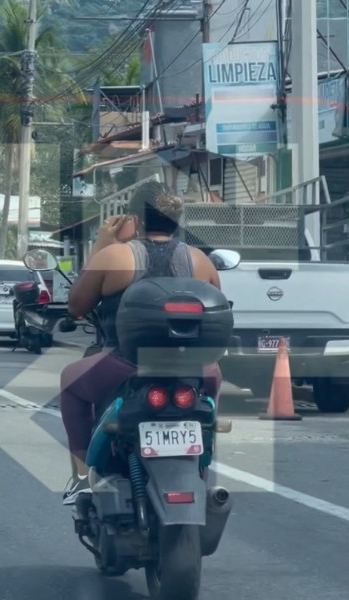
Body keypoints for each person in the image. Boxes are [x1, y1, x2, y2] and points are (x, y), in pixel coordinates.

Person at [60, 180, 224, 505]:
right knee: (212, 385)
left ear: (135, 218)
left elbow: (76, 307)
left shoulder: (116, 256)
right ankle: (204, 459)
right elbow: (218, 307)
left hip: (126, 365)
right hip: (193, 368)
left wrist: (101, 245)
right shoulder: (199, 260)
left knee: (70, 381)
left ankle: (82, 477)